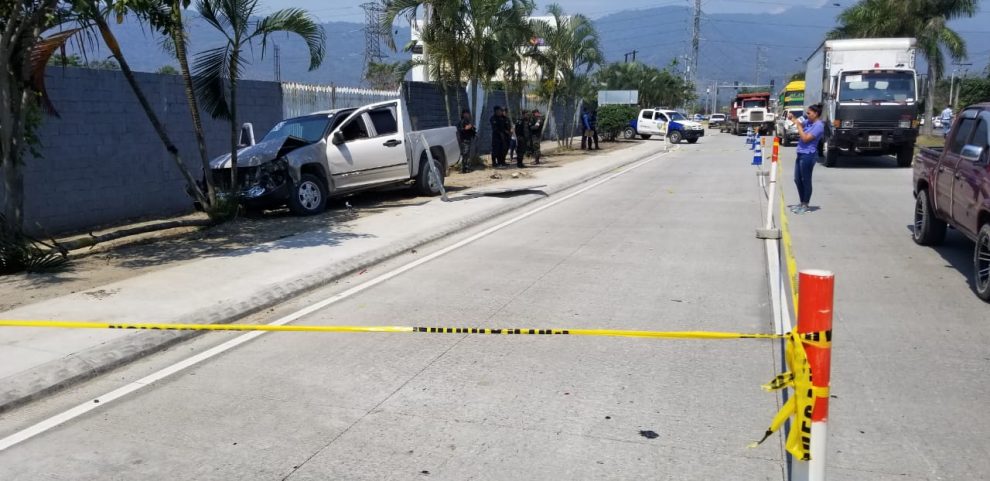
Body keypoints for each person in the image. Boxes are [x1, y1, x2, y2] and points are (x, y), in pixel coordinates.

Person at [789, 104, 825, 214]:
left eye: (809, 113)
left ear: (816, 114)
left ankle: (806, 203)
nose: (807, 115)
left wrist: (799, 127)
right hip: (800, 153)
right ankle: (802, 202)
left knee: (806, 179)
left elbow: (805, 138)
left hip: (809, 155)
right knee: (797, 179)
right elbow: (799, 123)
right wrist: (793, 118)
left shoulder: (819, 126)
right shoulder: (809, 122)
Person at [457, 109, 476, 173]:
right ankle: (463, 168)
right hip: (464, 140)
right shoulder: (462, 121)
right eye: (466, 113)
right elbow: (461, 130)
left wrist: (472, 128)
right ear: (463, 114)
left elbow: (471, 130)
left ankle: (466, 167)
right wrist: (468, 127)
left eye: (468, 113)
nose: (468, 114)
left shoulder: (468, 121)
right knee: (465, 154)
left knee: (467, 154)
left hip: (468, 139)